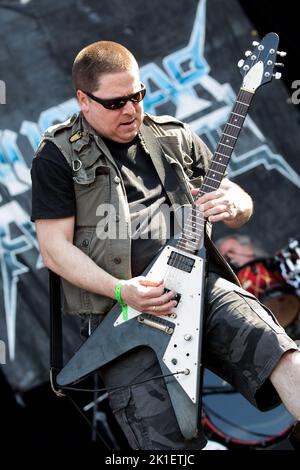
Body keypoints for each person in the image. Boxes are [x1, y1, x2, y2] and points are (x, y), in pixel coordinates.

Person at [31, 40, 300, 450]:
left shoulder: (173, 136)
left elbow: (237, 200)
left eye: (137, 95)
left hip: (202, 287)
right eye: (116, 101)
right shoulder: (58, 157)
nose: (131, 109)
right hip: (122, 314)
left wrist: (234, 203)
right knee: (167, 447)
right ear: (83, 100)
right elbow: (54, 250)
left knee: (283, 353)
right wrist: (123, 290)